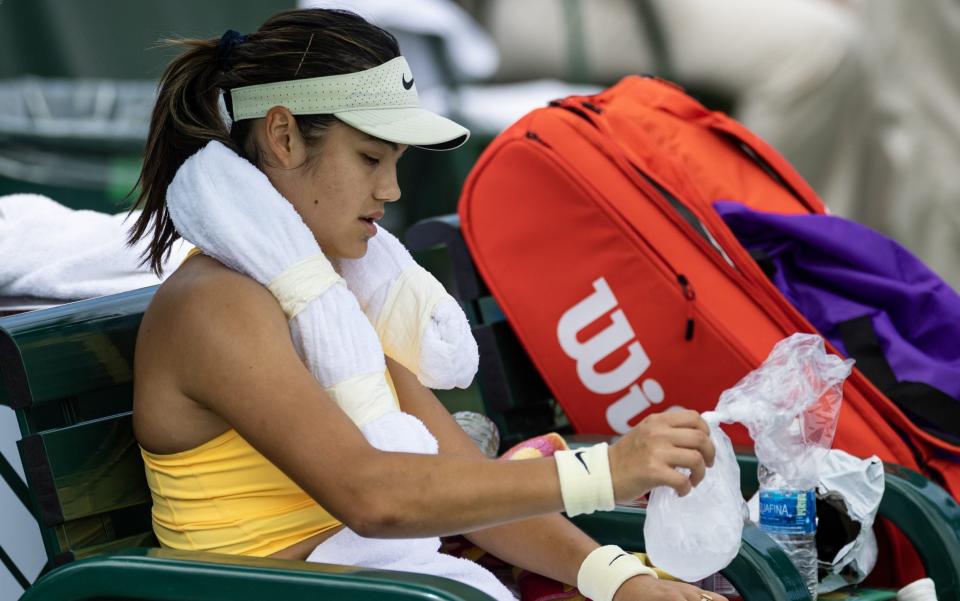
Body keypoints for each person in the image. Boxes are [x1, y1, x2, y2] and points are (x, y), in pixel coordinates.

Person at [128, 8, 724, 601]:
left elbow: (473, 492)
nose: (391, 190)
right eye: (369, 158)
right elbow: (375, 498)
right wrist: (605, 474)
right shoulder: (215, 303)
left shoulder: (327, 297)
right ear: (282, 136)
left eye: (396, 163)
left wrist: (623, 583)